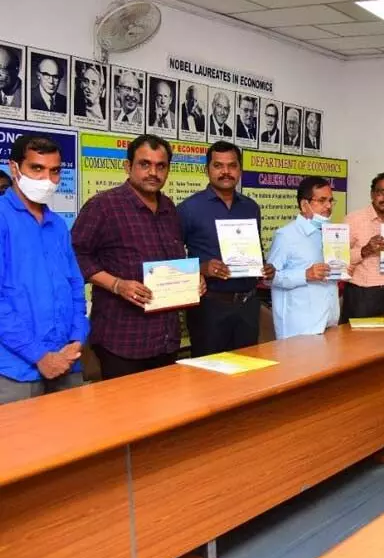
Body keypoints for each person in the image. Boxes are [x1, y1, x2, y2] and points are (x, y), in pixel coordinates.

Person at [72, 135, 204, 380]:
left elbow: (173, 260)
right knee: (125, 415)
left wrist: (193, 280)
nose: (153, 172)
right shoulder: (103, 206)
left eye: (160, 166)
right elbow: (75, 256)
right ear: (128, 166)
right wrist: (117, 285)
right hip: (122, 341)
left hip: (165, 339)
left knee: (163, 413)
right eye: (145, 164)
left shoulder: (169, 209)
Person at [0, 135, 88, 404]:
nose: (46, 179)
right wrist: (39, 355)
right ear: (15, 169)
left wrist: (78, 337)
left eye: (54, 171)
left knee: (77, 442)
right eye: (36, 169)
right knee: (23, 445)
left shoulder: (58, 225)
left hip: (67, 361)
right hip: (18, 369)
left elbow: (75, 286)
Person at [177, 141, 274, 356]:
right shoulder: (189, 208)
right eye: (218, 166)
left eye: (232, 166)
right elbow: (172, 258)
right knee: (209, 374)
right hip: (210, 307)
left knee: (247, 369)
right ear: (207, 170)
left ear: (240, 169)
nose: (226, 172)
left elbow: (255, 251)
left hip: (248, 304)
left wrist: (265, 268)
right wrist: (202, 267)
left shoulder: (251, 207)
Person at [267, 177, 339, 339]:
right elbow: (269, 278)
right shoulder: (286, 235)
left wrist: (343, 269)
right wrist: (305, 275)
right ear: (304, 204)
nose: (328, 206)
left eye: (330, 201)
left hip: (329, 320)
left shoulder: (332, 233)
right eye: (322, 201)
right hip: (299, 327)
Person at [341, 173, 384, 321]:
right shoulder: (353, 219)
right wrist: (365, 250)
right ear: (372, 194)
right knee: (359, 342)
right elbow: (337, 260)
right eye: (381, 192)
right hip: (361, 294)